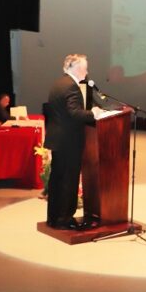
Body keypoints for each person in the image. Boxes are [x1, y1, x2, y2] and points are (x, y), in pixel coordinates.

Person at [44, 54, 103, 230]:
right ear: (77, 69)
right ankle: (64, 219)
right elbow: (74, 113)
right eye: (85, 68)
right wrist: (94, 113)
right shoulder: (72, 86)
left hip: (58, 140)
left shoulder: (58, 83)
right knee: (68, 180)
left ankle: (53, 217)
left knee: (57, 180)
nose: (87, 72)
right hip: (68, 142)